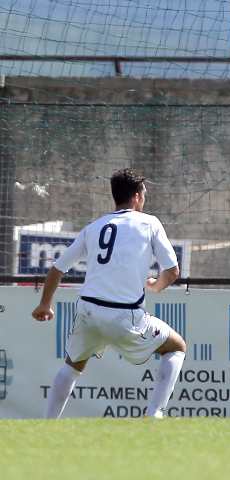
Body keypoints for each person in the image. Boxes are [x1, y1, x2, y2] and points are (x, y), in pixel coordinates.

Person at [31, 168, 187, 419]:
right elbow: (172, 271)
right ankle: (155, 414)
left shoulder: (94, 227)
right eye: (144, 195)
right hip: (125, 316)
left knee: (73, 365)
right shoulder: (149, 222)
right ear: (137, 196)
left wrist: (45, 305)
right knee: (176, 346)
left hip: (89, 310)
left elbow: (56, 269)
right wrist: (155, 286)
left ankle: (47, 423)